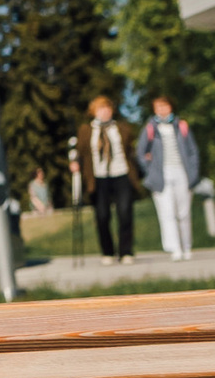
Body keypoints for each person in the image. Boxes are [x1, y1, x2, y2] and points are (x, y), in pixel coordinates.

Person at [139, 96, 203, 261]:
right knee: (167, 212)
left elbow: (193, 151)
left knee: (183, 212)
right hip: (162, 174)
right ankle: (175, 248)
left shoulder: (181, 126)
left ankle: (186, 246)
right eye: (157, 107)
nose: (161, 109)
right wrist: (150, 172)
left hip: (182, 172)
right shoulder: (150, 128)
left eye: (164, 106)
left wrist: (193, 174)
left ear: (171, 107)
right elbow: (140, 153)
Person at [85, 94, 140, 262]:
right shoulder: (87, 131)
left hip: (121, 173)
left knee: (125, 213)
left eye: (107, 109)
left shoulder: (121, 128)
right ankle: (107, 251)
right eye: (101, 109)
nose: (105, 112)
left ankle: (126, 251)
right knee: (102, 215)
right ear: (94, 111)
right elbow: (81, 153)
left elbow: (130, 149)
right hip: (99, 177)